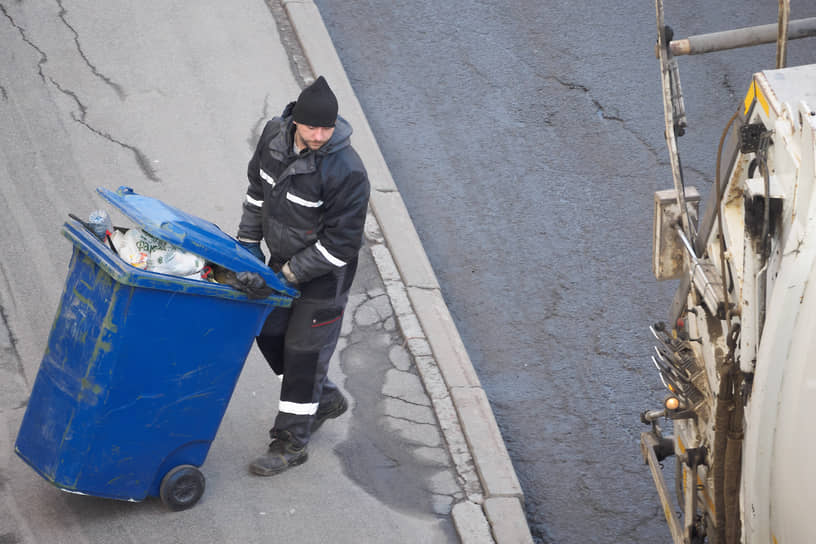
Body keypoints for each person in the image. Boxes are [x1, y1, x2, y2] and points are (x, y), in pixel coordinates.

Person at [236, 76, 370, 476]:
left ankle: (291, 443)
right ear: (297, 122)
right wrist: (247, 247)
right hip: (281, 261)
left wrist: (288, 275)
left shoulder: (347, 171)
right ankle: (324, 397)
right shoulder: (275, 138)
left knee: (303, 354)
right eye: (312, 127)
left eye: (326, 128)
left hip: (325, 277)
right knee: (267, 329)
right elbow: (256, 192)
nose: (318, 135)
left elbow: (340, 245)